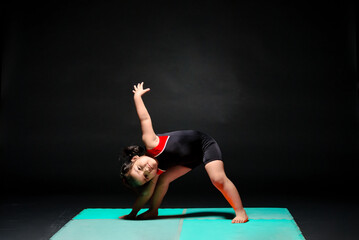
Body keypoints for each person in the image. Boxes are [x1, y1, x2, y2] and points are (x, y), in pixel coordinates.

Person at [119, 82, 248, 223]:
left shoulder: (151, 143)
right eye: (145, 176)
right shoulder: (156, 172)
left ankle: (240, 212)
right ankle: (153, 211)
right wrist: (133, 214)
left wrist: (137, 96)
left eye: (139, 167)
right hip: (190, 159)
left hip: (204, 145)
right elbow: (145, 193)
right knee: (163, 180)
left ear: (135, 158)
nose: (147, 170)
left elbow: (144, 119)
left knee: (217, 179)